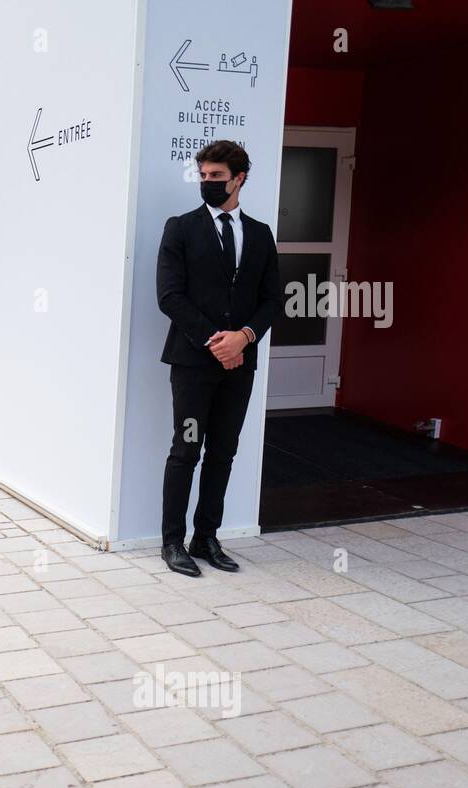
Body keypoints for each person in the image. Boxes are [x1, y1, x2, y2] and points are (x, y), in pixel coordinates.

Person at [156, 140, 282, 577]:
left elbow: (272, 299)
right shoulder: (181, 228)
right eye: (203, 176)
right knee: (186, 449)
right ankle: (172, 542)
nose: (207, 183)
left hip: (240, 366)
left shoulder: (261, 234)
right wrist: (219, 343)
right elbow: (169, 297)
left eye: (216, 177)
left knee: (223, 453)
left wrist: (243, 339)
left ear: (239, 178)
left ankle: (206, 537)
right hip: (192, 364)